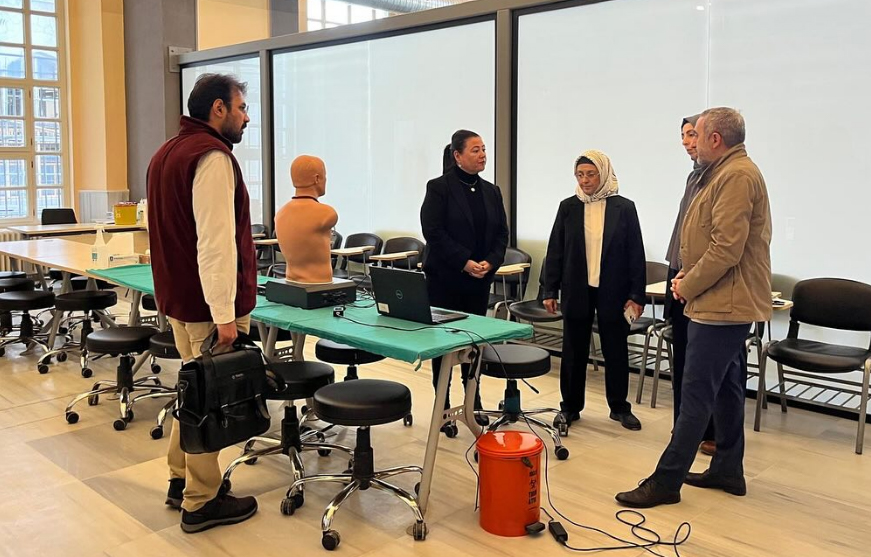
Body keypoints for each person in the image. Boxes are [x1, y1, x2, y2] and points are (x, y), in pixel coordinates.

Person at [616, 107, 772, 508]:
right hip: (721, 299)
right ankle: (728, 469)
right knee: (728, 387)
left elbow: (726, 249)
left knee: (696, 394)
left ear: (715, 139)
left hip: (723, 304)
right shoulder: (718, 172)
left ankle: (666, 481)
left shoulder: (736, 176)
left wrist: (687, 283)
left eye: (697, 135)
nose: (691, 143)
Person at [147, 73, 258, 533]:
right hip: (207, 307)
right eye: (241, 108)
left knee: (192, 392)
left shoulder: (166, 153)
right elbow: (215, 244)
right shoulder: (211, 157)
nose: (246, 117)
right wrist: (224, 316)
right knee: (211, 399)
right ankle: (201, 501)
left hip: (180, 301)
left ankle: (180, 480)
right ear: (218, 109)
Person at [542, 150, 646, 432]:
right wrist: (549, 290)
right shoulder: (568, 207)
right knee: (573, 350)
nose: (585, 180)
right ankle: (570, 407)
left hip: (614, 290)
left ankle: (620, 407)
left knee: (616, 349)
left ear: (604, 174)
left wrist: (637, 295)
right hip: (577, 288)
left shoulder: (624, 208)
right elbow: (556, 250)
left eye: (591, 174)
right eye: (580, 175)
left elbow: (636, 253)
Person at [420, 129, 509, 433]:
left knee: (473, 343)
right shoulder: (438, 188)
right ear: (457, 155)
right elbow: (433, 232)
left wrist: (490, 262)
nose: (483, 155)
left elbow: (501, 234)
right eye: (475, 150)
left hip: (478, 281)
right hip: (445, 279)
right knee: (444, 344)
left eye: (483, 149)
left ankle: (473, 400)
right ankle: (443, 407)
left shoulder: (491, 191)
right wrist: (464, 261)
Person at [665, 114, 717, 456]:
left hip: (701, 279)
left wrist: (690, 276)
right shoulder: (694, 176)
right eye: (683, 135)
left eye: (692, 134)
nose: (687, 142)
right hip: (680, 272)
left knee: (705, 365)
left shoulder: (721, 177)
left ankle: (710, 430)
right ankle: (684, 426)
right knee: (683, 358)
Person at [274, 155, 339, 284]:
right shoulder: (327, 213)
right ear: (316, 178)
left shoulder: (280, 214)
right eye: (325, 175)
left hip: (291, 280)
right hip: (318, 283)